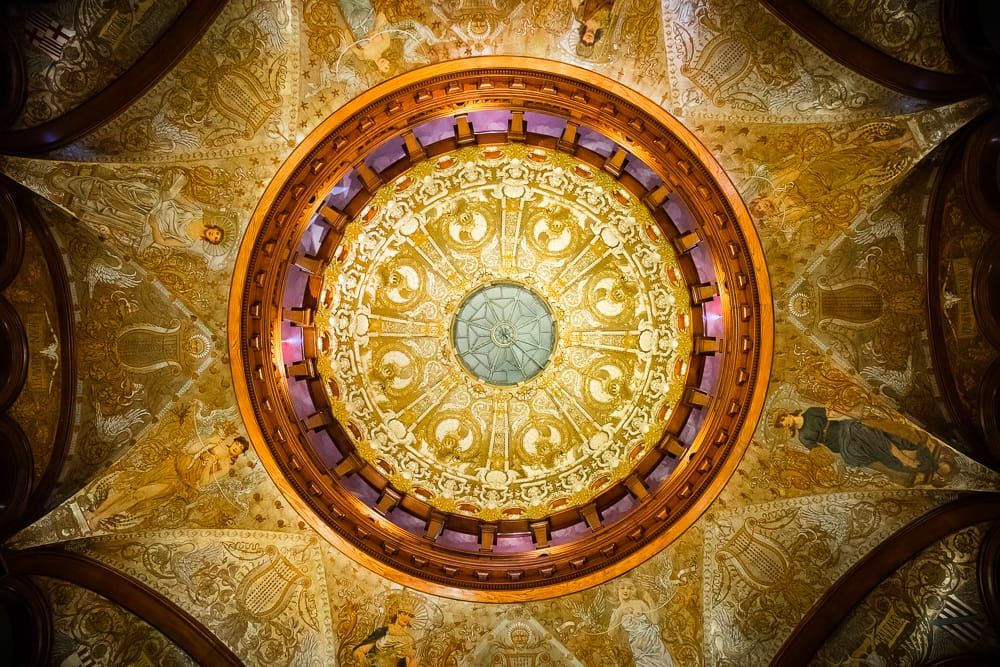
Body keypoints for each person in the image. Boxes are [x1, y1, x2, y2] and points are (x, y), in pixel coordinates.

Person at [84, 436, 250, 529]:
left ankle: (100, 518)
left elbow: (205, 482)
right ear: (232, 442)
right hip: (172, 467)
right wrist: (207, 440)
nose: (236, 447)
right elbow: (190, 450)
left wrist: (208, 466)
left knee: (138, 495)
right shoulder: (218, 444)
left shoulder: (226, 466)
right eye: (236, 443)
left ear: (241, 453)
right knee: (130, 486)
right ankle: (95, 512)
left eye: (240, 447)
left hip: (179, 481)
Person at [773, 407, 934, 474]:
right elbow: (820, 454)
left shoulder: (810, 412)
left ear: (787, 414)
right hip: (839, 445)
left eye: (783, 418)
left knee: (867, 434)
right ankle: (902, 455)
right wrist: (820, 458)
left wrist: (850, 415)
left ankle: (903, 458)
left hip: (844, 428)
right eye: (781, 424)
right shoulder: (803, 437)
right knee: (855, 456)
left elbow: (833, 413)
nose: (785, 422)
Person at [608, 578, 674, 667]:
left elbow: (655, 620)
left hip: (653, 643)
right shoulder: (617, 612)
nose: (626, 590)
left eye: (629, 588)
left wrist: (650, 600)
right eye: (622, 588)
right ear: (617, 591)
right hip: (640, 650)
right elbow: (611, 633)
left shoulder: (639, 603)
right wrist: (620, 613)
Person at [353, 600, 419, 667]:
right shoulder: (382, 631)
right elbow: (359, 651)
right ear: (398, 614)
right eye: (404, 614)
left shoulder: (409, 640)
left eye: (410, 616)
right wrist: (366, 663)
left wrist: (411, 657)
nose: (406, 618)